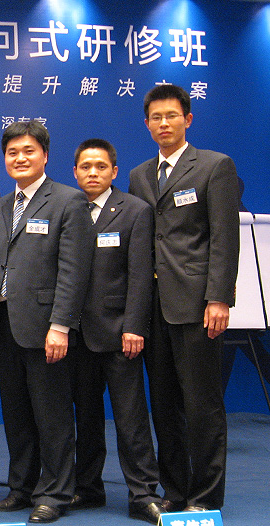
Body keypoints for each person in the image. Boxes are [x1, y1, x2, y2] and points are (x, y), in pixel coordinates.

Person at [129, 84, 239, 513]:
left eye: (171, 116)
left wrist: (219, 298)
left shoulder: (214, 166)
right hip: (152, 307)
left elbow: (224, 238)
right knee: (164, 404)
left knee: (202, 405)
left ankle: (206, 497)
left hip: (196, 305)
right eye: (156, 118)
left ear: (187, 119)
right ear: (146, 124)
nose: (164, 124)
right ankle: (175, 490)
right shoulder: (140, 175)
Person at [0, 120, 94, 524]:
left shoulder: (68, 201)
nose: (19, 158)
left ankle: (55, 492)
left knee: (52, 415)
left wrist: (61, 325)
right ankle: (22, 487)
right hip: (4, 324)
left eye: (28, 151)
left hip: (47, 325)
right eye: (12, 152)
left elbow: (74, 271)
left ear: (45, 155)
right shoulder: (0, 206)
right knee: (16, 412)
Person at [69, 139, 163, 524]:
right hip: (77, 335)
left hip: (120, 333)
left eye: (101, 166)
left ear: (114, 171)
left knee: (130, 419)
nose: (93, 173)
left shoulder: (135, 210)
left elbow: (141, 276)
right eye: (85, 167)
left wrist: (134, 327)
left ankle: (143, 494)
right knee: (86, 417)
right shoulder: (67, 208)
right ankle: (88, 488)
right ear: (75, 172)